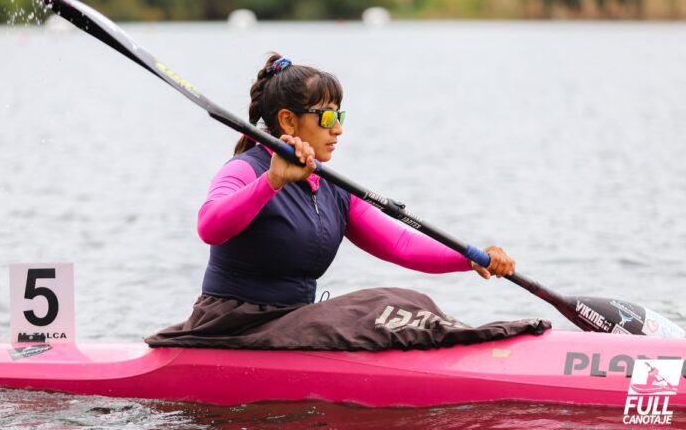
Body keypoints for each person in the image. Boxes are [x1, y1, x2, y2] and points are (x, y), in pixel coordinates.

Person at [145, 54, 546, 351]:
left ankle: (474, 345)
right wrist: (270, 183)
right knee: (379, 306)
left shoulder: (332, 187)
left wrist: (469, 258)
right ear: (288, 121)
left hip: (289, 321)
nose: (337, 129)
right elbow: (209, 226)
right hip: (232, 324)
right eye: (326, 117)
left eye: (340, 116)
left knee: (410, 301)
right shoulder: (245, 170)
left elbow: (401, 244)